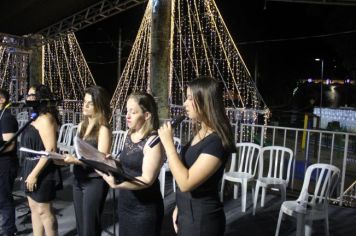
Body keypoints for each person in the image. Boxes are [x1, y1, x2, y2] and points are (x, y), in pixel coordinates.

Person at [158, 77, 236, 236]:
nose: (184, 104)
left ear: (205, 101)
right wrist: (179, 207)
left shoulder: (216, 142)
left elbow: (186, 182)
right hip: (187, 214)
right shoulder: (200, 132)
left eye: (189, 98)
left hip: (202, 221)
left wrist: (169, 144)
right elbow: (186, 169)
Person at [98, 92, 164, 236]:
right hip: (125, 203)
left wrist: (117, 185)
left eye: (133, 112)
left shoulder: (153, 142)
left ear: (146, 115)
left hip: (144, 209)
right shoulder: (129, 134)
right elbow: (127, 166)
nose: (127, 116)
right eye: (127, 111)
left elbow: (147, 180)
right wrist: (112, 162)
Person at [64, 85, 111, 236]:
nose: (84, 105)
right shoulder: (81, 126)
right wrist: (64, 156)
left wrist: (75, 161)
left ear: (98, 105)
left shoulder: (103, 129)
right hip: (78, 178)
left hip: (95, 180)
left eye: (89, 103)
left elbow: (100, 160)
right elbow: (78, 153)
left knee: (90, 227)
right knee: (81, 225)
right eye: (84, 101)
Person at [20, 84, 59, 236]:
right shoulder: (34, 116)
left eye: (32, 95)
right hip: (29, 166)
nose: (29, 98)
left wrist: (34, 174)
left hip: (42, 168)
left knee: (45, 211)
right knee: (34, 208)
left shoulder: (46, 118)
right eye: (28, 95)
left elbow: (50, 150)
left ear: (42, 98)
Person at [0, 89, 18, 236]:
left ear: (2, 100)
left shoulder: (6, 118)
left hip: (6, 164)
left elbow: (9, 145)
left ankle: (9, 230)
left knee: (4, 198)